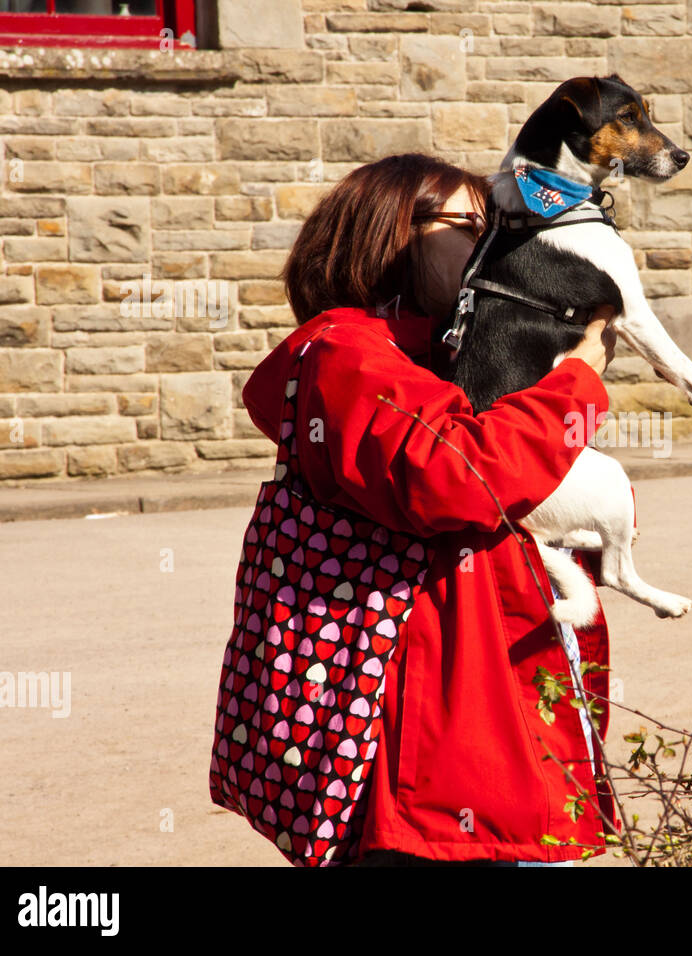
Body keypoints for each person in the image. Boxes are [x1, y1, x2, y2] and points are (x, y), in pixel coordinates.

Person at [240, 153, 620, 865]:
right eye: (472, 225)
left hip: (486, 705)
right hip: (427, 744)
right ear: (389, 235)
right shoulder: (348, 355)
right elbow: (456, 476)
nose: (498, 245)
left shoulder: (450, 357)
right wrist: (574, 386)